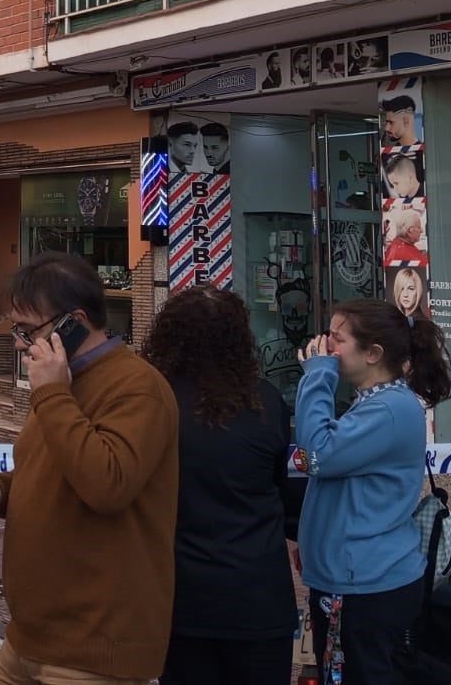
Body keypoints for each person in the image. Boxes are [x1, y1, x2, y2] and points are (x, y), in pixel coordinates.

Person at [0, 253, 179, 685]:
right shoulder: (57, 382)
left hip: (92, 650)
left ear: (74, 321)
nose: (19, 343)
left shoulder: (136, 387)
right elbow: (51, 469)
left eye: (27, 330)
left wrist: (54, 395)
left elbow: (107, 484)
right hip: (26, 638)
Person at [145, 287, 299, 685]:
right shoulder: (266, 403)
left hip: (180, 596)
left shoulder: (152, 404)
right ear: (238, 339)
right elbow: (292, 500)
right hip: (258, 595)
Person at [296, 300, 451, 684]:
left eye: (337, 338)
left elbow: (316, 454)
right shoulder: (377, 404)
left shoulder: (388, 410)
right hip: (353, 577)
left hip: (363, 585)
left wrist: (317, 376)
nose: (325, 346)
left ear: (373, 353)